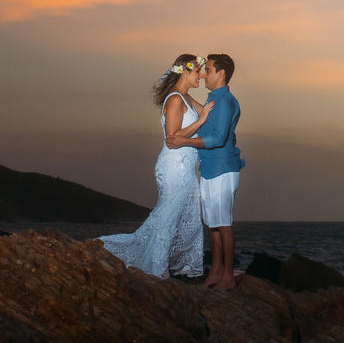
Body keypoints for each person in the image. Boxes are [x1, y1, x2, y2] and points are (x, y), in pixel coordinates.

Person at [98, 54, 213, 279]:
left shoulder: (187, 98)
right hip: (173, 167)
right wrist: (199, 122)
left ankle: (185, 265)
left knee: (187, 216)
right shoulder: (175, 100)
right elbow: (172, 136)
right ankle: (156, 269)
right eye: (198, 71)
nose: (201, 75)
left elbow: (210, 112)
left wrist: (222, 95)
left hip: (187, 167)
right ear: (186, 72)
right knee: (168, 217)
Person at [166, 52, 243, 290]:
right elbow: (207, 118)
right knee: (213, 223)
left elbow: (218, 138)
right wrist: (182, 88)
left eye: (208, 70)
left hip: (222, 168)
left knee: (223, 223)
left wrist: (184, 142)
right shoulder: (214, 100)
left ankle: (228, 276)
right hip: (210, 169)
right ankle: (216, 271)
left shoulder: (226, 101)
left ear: (221, 74)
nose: (204, 74)